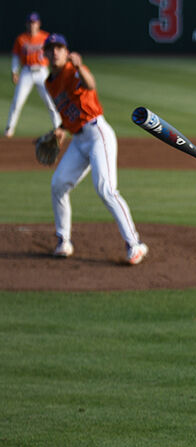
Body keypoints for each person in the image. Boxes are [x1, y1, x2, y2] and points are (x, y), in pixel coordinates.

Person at [41, 34, 147, 264]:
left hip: (98, 133)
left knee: (106, 189)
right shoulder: (49, 83)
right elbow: (69, 111)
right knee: (58, 185)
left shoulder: (74, 70)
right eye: (51, 48)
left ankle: (134, 244)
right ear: (46, 54)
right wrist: (61, 129)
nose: (56, 52)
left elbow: (90, 85)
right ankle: (63, 241)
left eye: (59, 47)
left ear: (65, 51)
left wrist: (80, 66)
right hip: (78, 140)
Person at [6, 12, 60, 138]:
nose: (32, 25)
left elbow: (54, 53)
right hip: (26, 72)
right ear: (27, 24)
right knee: (17, 101)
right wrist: (15, 71)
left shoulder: (46, 37)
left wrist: (54, 69)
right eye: (30, 22)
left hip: (42, 71)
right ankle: (9, 130)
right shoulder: (21, 39)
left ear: (38, 24)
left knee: (50, 101)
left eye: (34, 22)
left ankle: (58, 128)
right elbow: (15, 56)